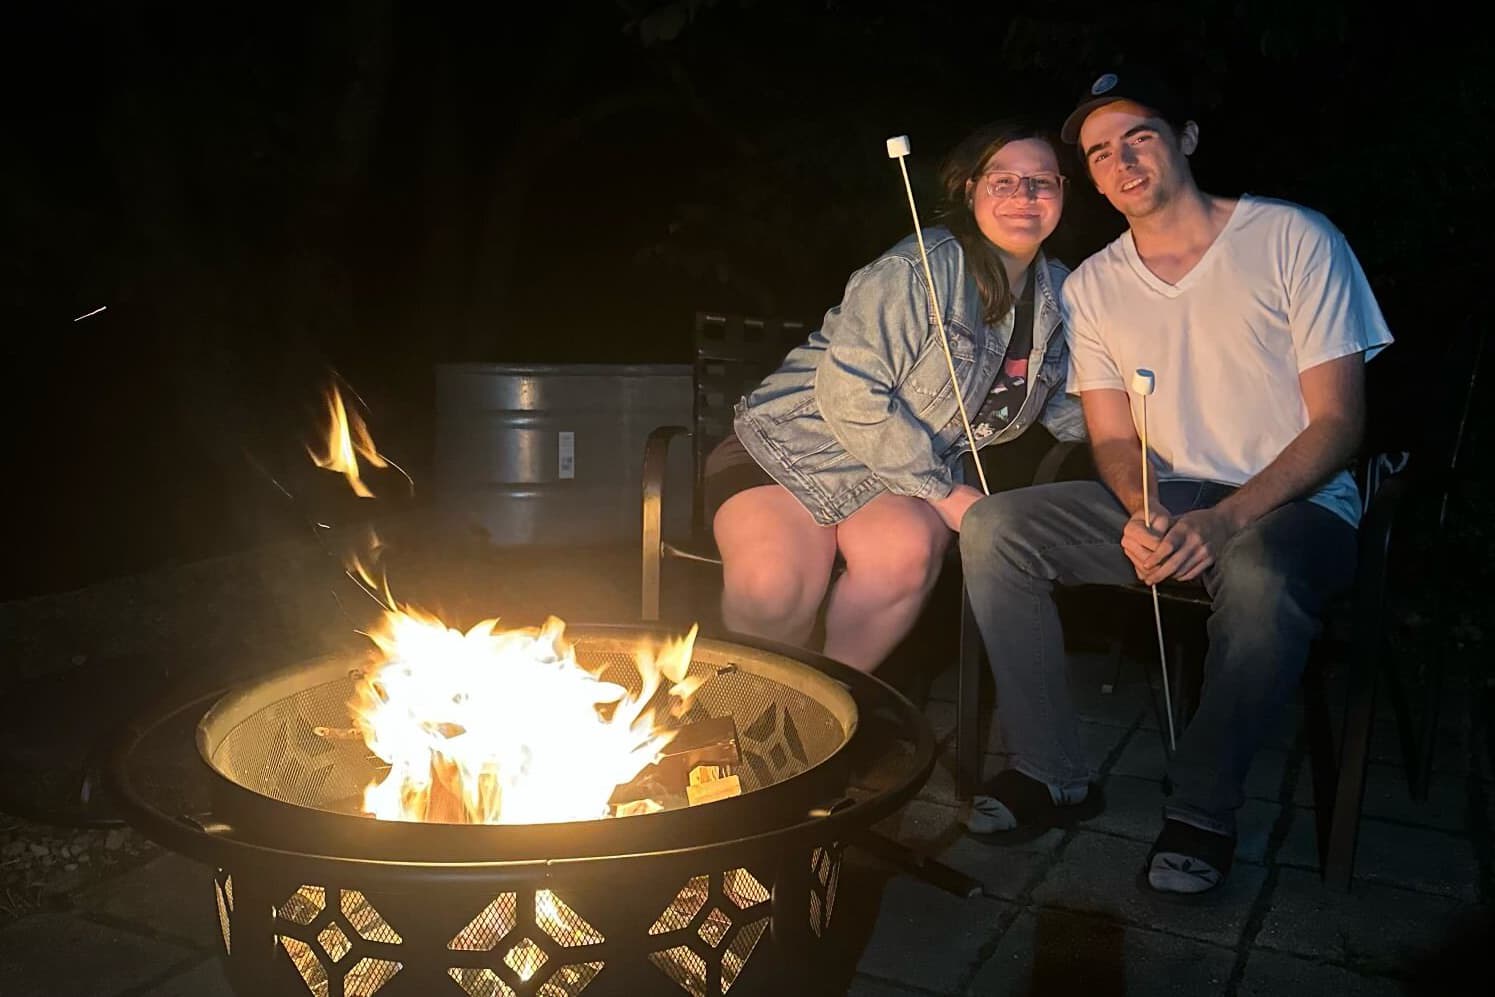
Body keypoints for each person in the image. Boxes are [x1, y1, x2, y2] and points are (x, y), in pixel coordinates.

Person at [958, 67, 1394, 894]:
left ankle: (1201, 806)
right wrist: (1138, 509)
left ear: (1185, 138)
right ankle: (1053, 771)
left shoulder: (1293, 239)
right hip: (1168, 493)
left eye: (1139, 137)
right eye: (1096, 154)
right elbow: (1112, 432)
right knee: (993, 525)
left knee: (1260, 571)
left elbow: (1338, 422)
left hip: (1293, 503)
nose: (1120, 162)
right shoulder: (1092, 285)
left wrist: (1227, 520)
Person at [707, 120, 1086, 673]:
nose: (1023, 197)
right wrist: (944, 493)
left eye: (1041, 182)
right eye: (1003, 181)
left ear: (1061, 194)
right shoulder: (919, 269)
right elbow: (850, 394)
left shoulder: (1061, 294)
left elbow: (1069, 406)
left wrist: (1154, 451)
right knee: (775, 587)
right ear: (969, 190)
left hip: (893, 471)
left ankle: (833, 709)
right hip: (796, 445)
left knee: (903, 557)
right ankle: (754, 716)